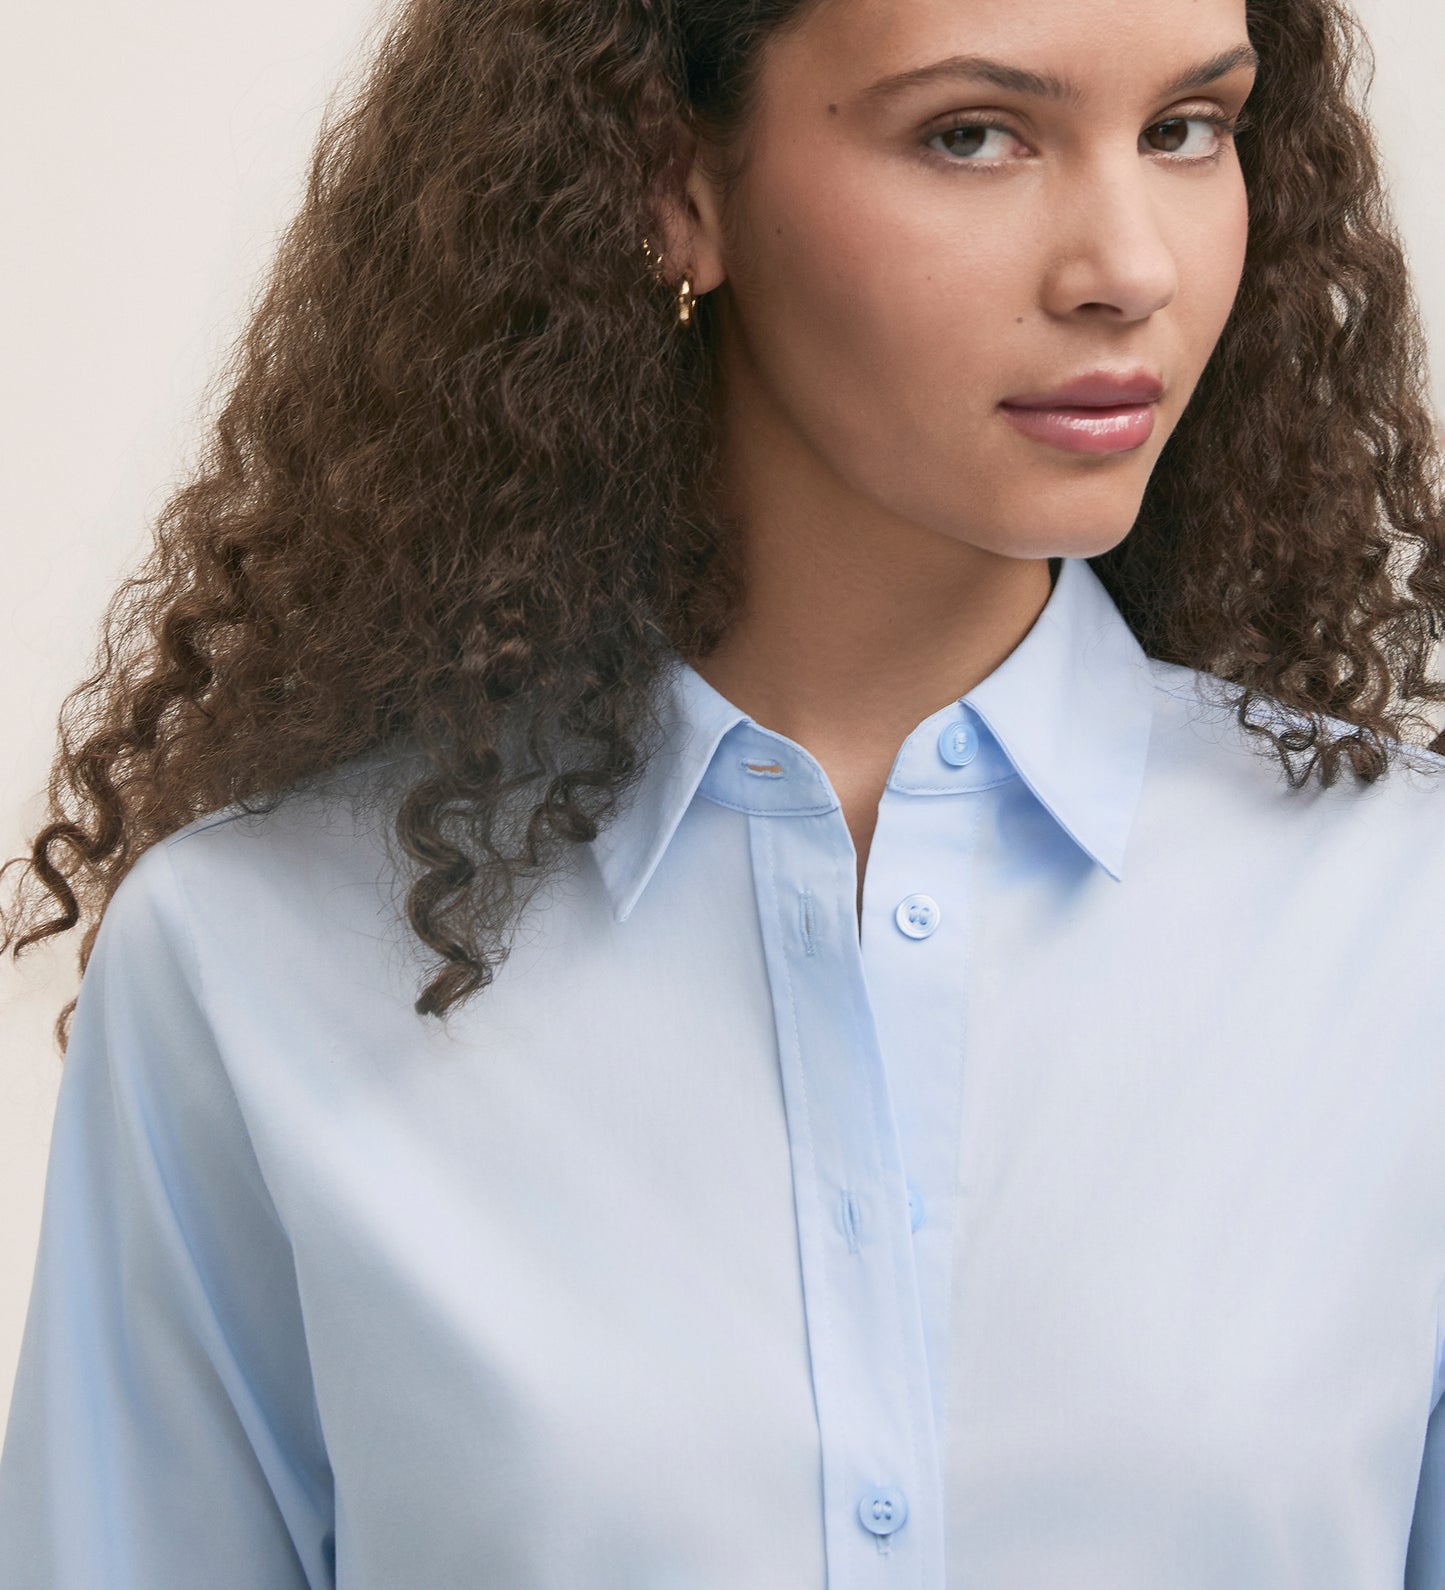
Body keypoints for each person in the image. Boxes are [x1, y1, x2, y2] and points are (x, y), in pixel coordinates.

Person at [2, 0, 1444, 1582]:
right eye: (971, 134)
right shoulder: (251, 957)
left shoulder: (1403, 925)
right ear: (670, 181)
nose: (1128, 268)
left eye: (1185, 129)